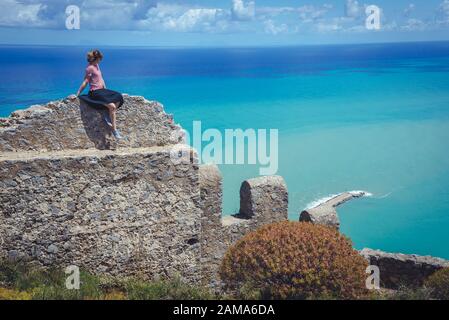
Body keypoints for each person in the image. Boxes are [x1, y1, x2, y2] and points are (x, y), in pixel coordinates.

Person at [76, 49, 124, 139]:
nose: (100, 60)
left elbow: (101, 78)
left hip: (102, 91)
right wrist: (78, 93)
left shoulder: (97, 65)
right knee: (113, 106)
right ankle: (114, 129)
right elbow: (85, 81)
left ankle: (107, 113)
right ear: (95, 59)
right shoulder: (89, 68)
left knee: (119, 96)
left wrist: (105, 90)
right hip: (95, 92)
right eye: (99, 59)